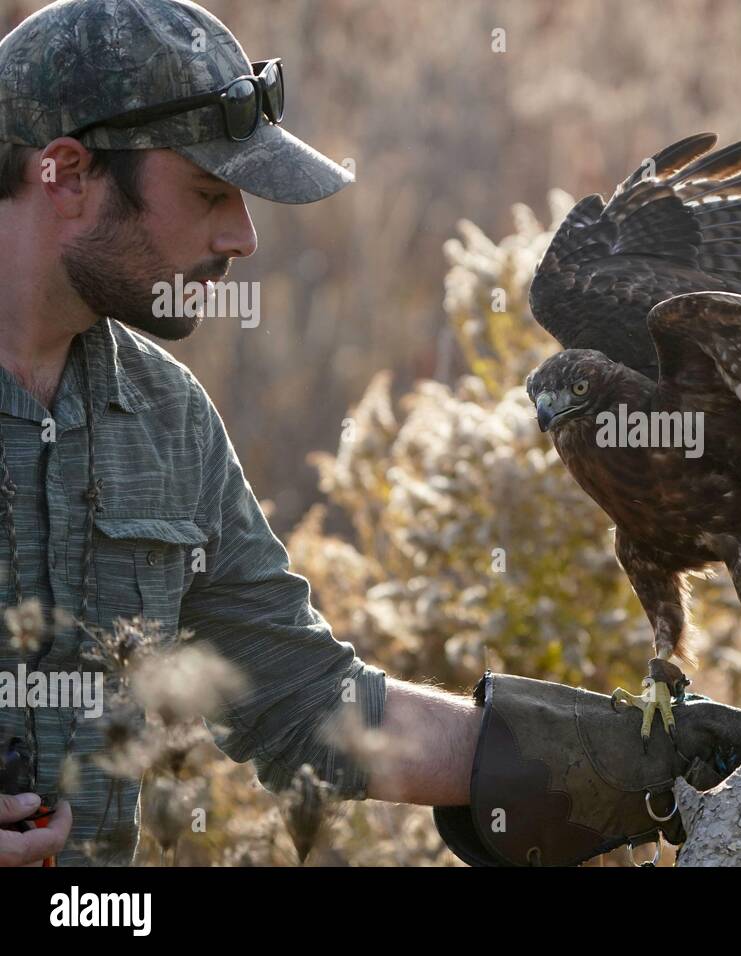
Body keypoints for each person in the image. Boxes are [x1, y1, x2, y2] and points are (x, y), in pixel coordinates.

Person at [0, 0, 483, 866]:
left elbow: (304, 699)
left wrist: (573, 755)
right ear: (69, 176)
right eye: (209, 192)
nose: (244, 236)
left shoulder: (165, 417)